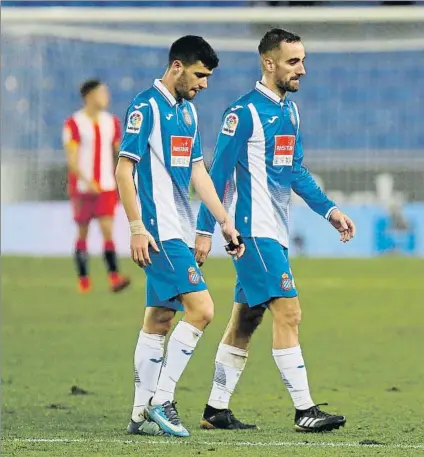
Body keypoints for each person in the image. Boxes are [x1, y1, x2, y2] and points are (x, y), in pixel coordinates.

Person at [195, 28, 356, 433]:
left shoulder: (290, 111)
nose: (302, 69)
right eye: (293, 61)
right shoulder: (243, 113)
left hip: (275, 232)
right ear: (269, 63)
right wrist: (205, 229)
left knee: (246, 320)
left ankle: (216, 409)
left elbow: (295, 170)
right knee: (290, 311)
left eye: (303, 60)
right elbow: (216, 174)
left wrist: (329, 210)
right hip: (252, 232)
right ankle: (304, 410)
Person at [115, 35, 244, 438]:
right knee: (202, 310)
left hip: (179, 230)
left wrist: (224, 220)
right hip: (158, 232)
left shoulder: (187, 114)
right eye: (200, 74)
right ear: (176, 67)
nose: (204, 84)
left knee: (158, 319)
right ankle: (161, 399)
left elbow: (198, 173)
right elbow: (123, 171)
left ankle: (139, 413)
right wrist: (136, 227)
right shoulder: (145, 107)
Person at [63, 79, 130, 293]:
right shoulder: (73, 123)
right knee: (83, 232)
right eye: (103, 93)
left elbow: (119, 150)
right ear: (90, 96)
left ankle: (114, 277)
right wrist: (85, 179)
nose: (106, 97)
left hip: (106, 186)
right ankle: (83, 279)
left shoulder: (112, 122)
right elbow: (72, 159)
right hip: (83, 188)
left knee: (107, 230)